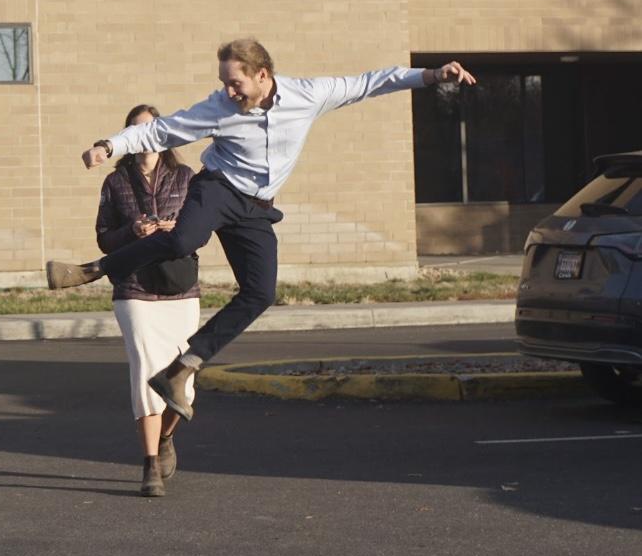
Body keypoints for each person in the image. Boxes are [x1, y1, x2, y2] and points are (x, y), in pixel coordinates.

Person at [47, 37, 476, 422]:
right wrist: (110, 145)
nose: (229, 92)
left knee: (260, 293)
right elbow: (162, 128)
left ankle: (182, 368)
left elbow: (370, 82)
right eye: (225, 84)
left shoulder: (309, 95)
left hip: (257, 209)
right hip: (217, 189)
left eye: (236, 83)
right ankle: (96, 268)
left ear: (263, 74)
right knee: (182, 238)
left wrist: (433, 75)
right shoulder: (218, 108)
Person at [94, 104, 198, 498]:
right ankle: (150, 464)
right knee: (145, 373)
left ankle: (167, 438)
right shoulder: (115, 182)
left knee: (183, 387)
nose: (144, 137)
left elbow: (202, 228)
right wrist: (131, 231)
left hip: (179, 287)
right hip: (134, 287)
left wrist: (178, 230)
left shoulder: (186, 177)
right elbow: (104, 236)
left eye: (151, 129)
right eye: (135, 130)